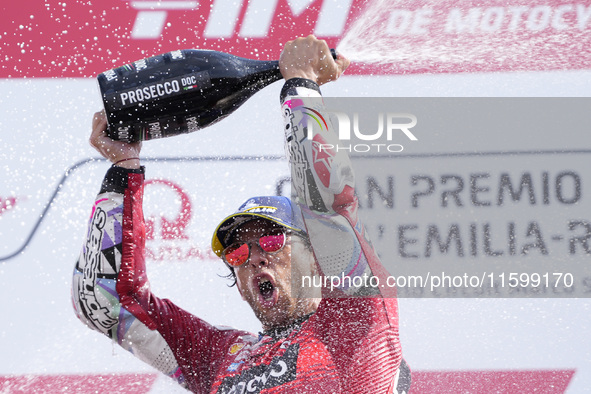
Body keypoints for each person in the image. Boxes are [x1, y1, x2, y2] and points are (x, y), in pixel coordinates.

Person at [72, 36, 410, 393]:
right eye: (238, 252)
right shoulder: (220, 357)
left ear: (315, 254)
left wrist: (301, 85)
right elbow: (106, 301)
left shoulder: (354, 321)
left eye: (271, 239)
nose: (254, 258)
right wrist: (123, 169)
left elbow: (330, 207)